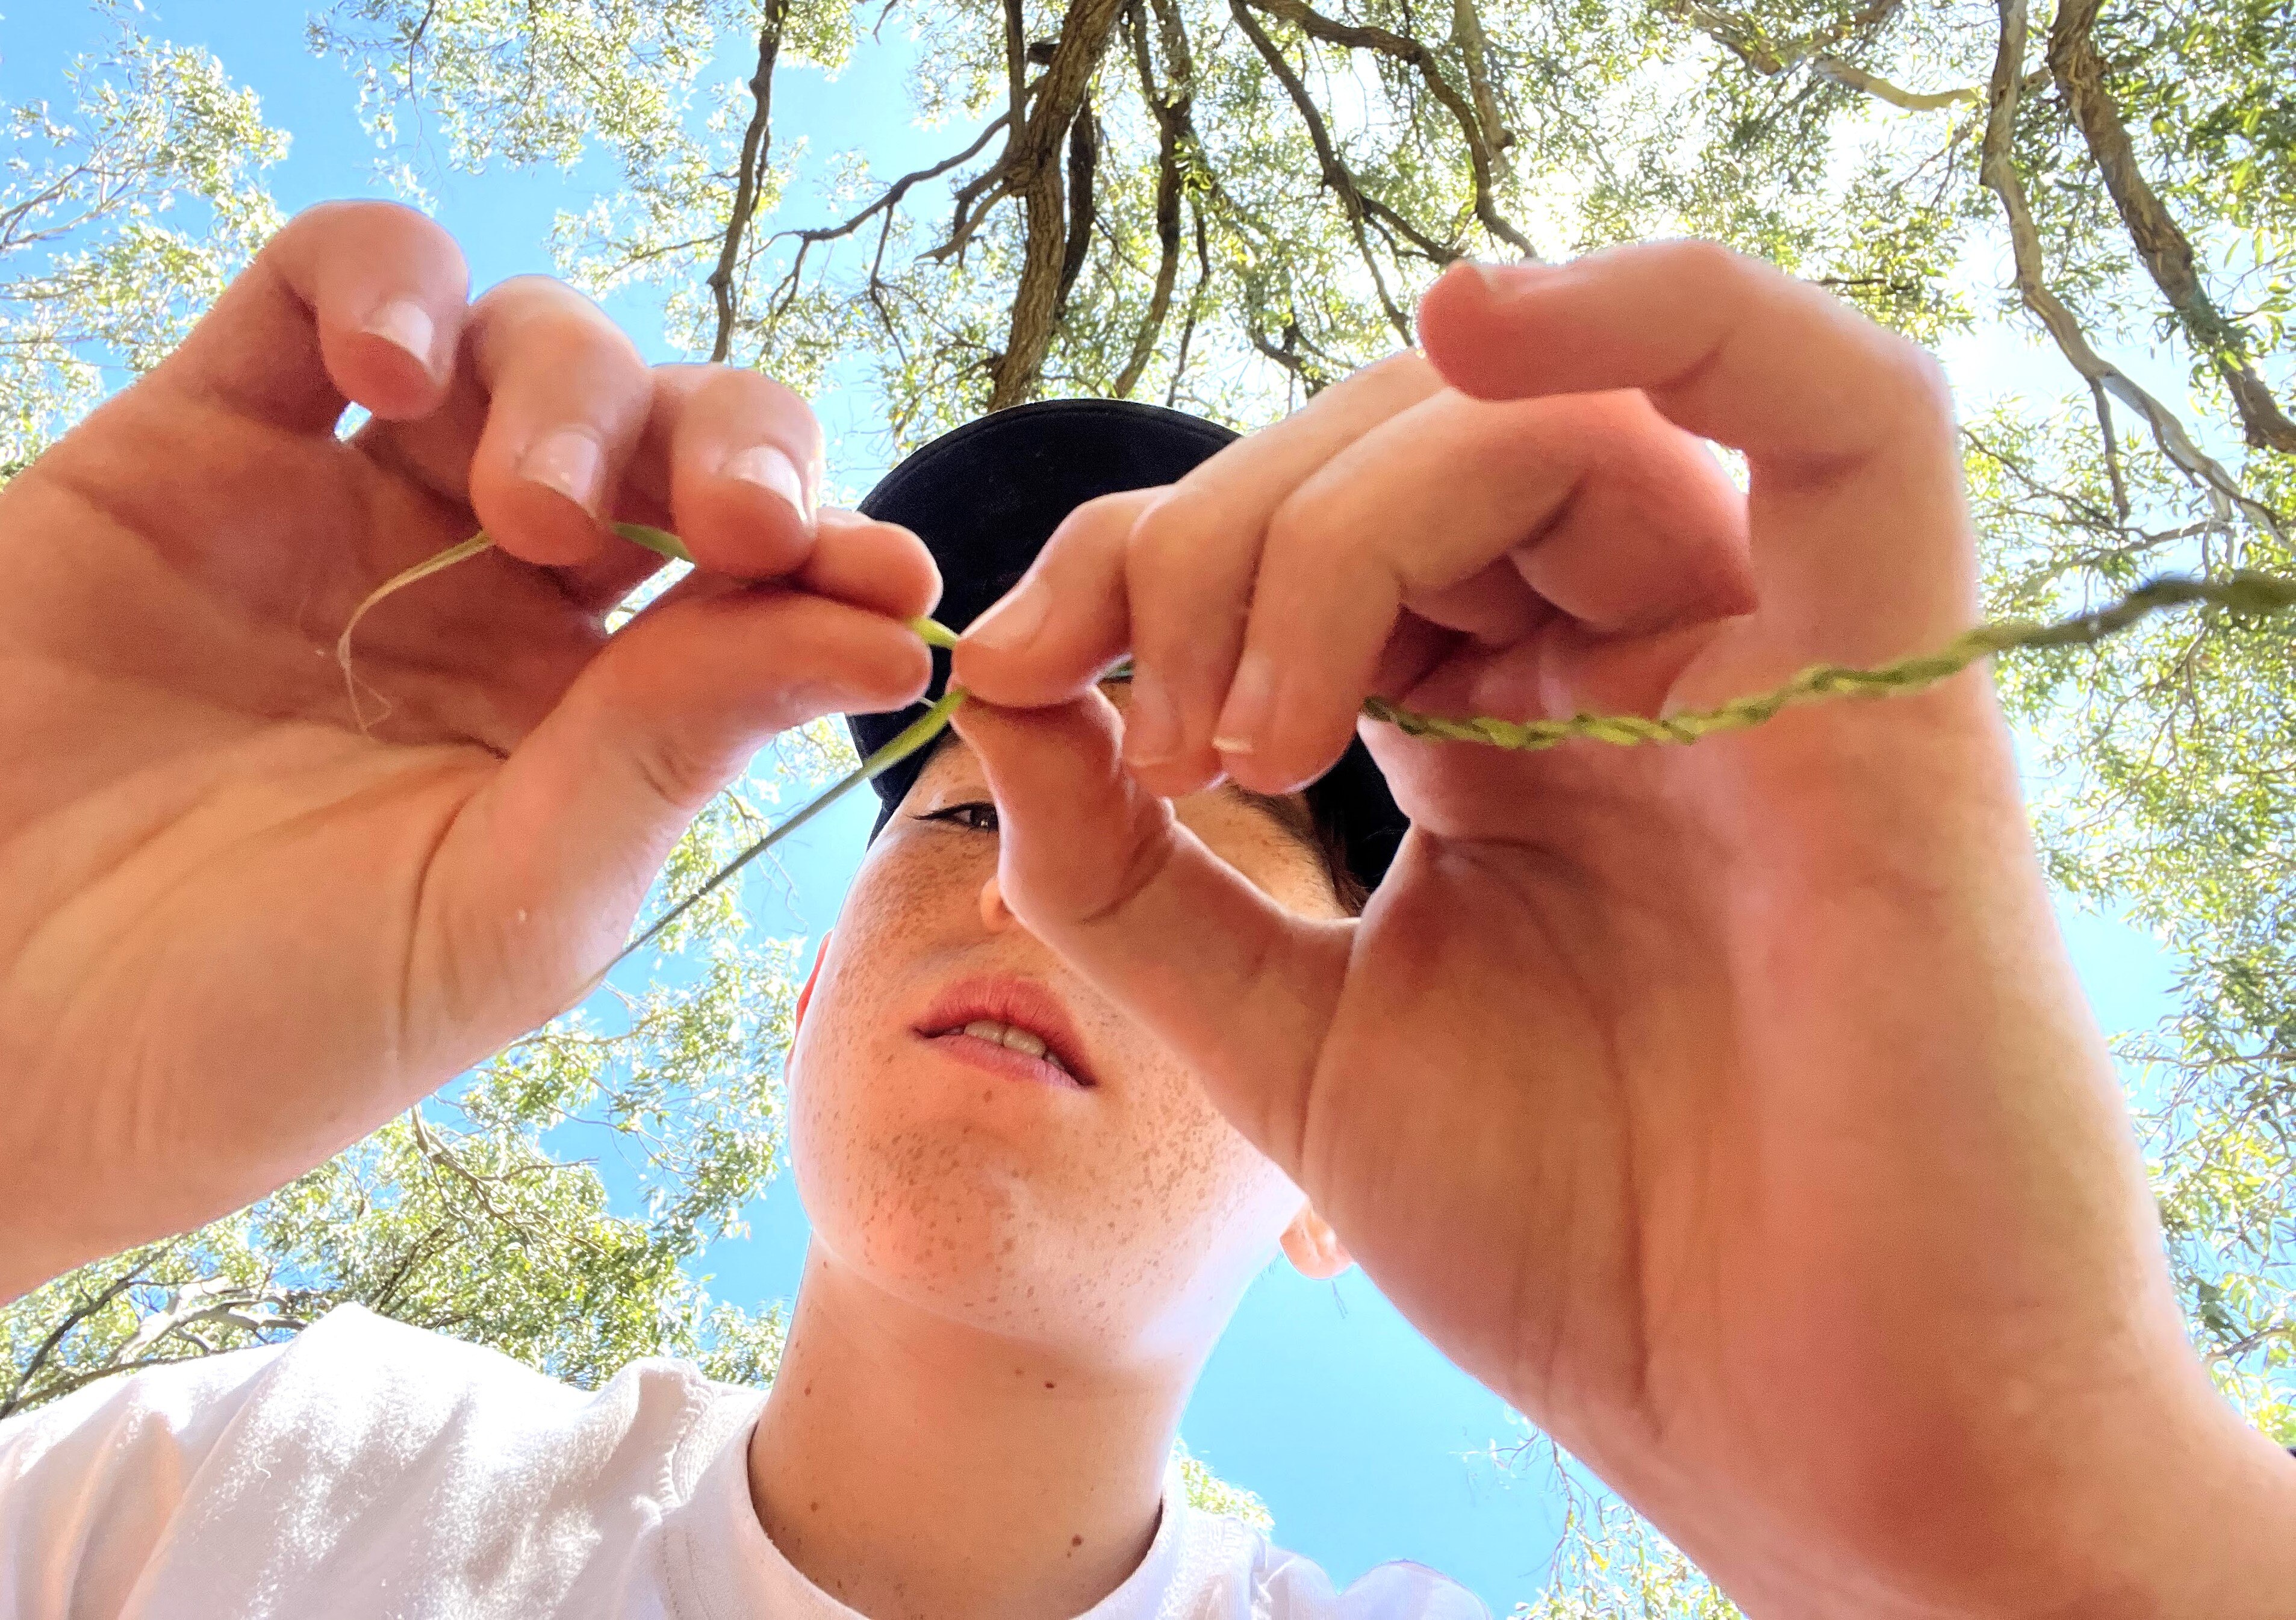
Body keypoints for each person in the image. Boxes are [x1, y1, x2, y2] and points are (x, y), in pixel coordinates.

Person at [0, 199, 2289, 1619]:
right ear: (808, 995)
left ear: (1329, 1193)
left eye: (1187, 861)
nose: (1044, 880)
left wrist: (2047, 1535)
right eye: (957, 823)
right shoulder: (251, 1483)